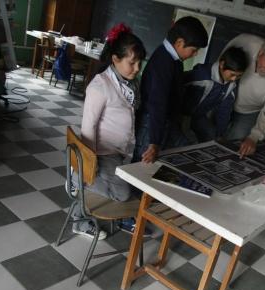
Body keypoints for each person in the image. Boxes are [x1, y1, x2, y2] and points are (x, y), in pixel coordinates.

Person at [70, 23, 147, 240]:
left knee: (132, 186)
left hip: (119, 151)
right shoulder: (100, 86)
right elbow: (88, 129)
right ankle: (78, 180)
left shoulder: (129, 83)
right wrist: (88, 167)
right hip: (102, 153)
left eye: (140, 63)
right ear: (115, 59)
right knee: (123, 194)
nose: (137, 68)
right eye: (132, 63)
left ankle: (80, 181)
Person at [133, 16, 208, 163]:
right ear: (180, 43)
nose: (195, 54)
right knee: (141, 165)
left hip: (163, 122)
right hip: (151, 124)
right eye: (193, 50)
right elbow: (157, 104)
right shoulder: (163, 62)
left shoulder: (174, 60)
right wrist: (154, 142)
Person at [182, 46, 248, 142]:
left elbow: (224, 111)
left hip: (198, 116)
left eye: (238, 76)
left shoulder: (231, 85)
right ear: (222, 64)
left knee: (213, 138)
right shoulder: (202, 74)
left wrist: (219, 134)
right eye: (232, 74)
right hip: (179, 114)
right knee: (183, 141)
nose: (234, 79)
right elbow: (177, 85)